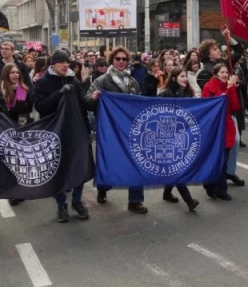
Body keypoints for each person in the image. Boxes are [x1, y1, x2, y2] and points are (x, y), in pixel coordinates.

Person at [85, 47, 147, 214]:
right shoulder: (102, 81)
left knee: (136, 162)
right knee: (108, 161)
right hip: (109, 130)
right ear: (112, 60)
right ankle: (103, 188)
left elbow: (138, 105)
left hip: (131, 130)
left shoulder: (132, 82)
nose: (121, 61)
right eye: (118, 59)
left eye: (124, 59)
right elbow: (87, 101)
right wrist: (94, 97)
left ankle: (135, 200)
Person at [33, 51, 91, 222]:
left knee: (79, 167)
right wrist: (59, 93)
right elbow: (41, 107)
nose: (65, 65)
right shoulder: (42, 83)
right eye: (61, 62)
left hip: (75, 132)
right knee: (58, 170)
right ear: (52, 64)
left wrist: (86, 130)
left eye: (67, 62)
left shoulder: (75, 81)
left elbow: (82, 108)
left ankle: (77, 201)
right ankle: (61, 205)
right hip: (54, 134)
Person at [157, 67, 200, 211]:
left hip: (183, 135)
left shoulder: (188, 93)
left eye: (186, 76)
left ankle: (167, 193)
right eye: (182, 76)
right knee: (176, 168)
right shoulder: (165, 94)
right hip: (168, 137)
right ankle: (189, 201)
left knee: (175, 166)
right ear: (174, 78)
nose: (185, 78)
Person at [202, 64, 242, 199]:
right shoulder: (209, 87)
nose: (225, 74)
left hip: (227, 126)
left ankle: (220, 189)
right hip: (214, 128)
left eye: (226, 72)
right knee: (215, 160)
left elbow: (235, 106)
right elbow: (212, 106)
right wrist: (229, 88)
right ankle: (211, 185)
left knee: (223, 160)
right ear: (216, 74)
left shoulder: (229, 87)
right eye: (222, 72)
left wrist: (231, 89)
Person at [1, 62, 35, 207]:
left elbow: (24, 108)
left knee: (20, 162)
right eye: (12, 73)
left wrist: (10, 109)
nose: (15, 75)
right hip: (4, 131)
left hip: (20, 130)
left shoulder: (23, 89)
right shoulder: (1, 89)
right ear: (6, 75)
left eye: (17, 73)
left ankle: (19, 192)